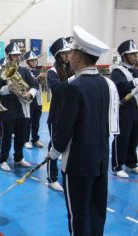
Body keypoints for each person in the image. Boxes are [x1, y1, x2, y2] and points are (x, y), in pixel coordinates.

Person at [49, 25, 119, 236]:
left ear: (78, 57)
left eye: (71, 53)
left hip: (77, 163)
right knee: (97, 213)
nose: (68, 57)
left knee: (78, 216)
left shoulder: (74, 87)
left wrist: (53, 153)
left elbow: (65, 127)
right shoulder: (107, 84)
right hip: (100, 160)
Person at [0, 42, 38, 171]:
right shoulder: (1, 71)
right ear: (8, 56)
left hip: (23, 109)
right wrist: (9, 87)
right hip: (8, 110)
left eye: (19, 55)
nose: (18, 58)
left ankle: (19, 158)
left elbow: (35, 85)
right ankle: (3, 160)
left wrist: (29, 94)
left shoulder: (24, 71)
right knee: (6, 137)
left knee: (21, 135)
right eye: (15, 55)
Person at [46, 37, 74, 191]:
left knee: (69, 147)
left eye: (68, 52)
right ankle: (52, 178)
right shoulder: (52, 72)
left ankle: (67, 174)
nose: (67, 56)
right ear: (58, 55)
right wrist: (73, 79)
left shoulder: (73, 69)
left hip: (70, 115)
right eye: (64, 53)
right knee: (54, 146)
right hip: (56, 116)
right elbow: (58, 89)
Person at [110, 39, 138, 178]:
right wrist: (135, 83)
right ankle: (117, 165)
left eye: (136, 54)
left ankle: (131, 163)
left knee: (134, 137)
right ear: (124, 56)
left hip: (135, 109)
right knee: (122, 138)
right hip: (123, 110)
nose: (136, 57)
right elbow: (121, 87)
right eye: (132, 54)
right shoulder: (117, 71)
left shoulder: (135, 70)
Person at [23, 50, 45, 149]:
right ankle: (26, 140)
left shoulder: (38, 71)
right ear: (27, 62)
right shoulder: (25, 71)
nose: (34, 62)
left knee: (36, 121)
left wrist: (44, 80)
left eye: (35, 60)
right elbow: (28, 84)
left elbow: (41, 85)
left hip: (39, 99)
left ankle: (35, 139)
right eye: (31, 61)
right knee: (28, 121)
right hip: (30, 100)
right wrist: (37, 78)